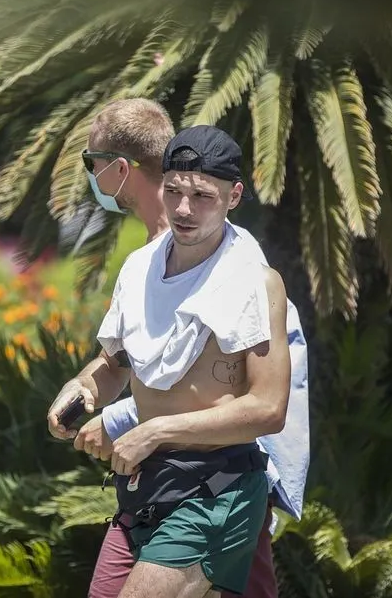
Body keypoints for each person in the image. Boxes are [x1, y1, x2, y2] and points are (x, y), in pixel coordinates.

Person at [49, 122, 291, 597]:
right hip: (142, 486)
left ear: (233, 195)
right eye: (174, 191)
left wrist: (154, 430)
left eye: (201, 196)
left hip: (215, 487)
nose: (183, 208)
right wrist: (82, 388)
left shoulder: (256, 283)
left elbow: (268, 409)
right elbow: (115, 362)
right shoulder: (139, 267)